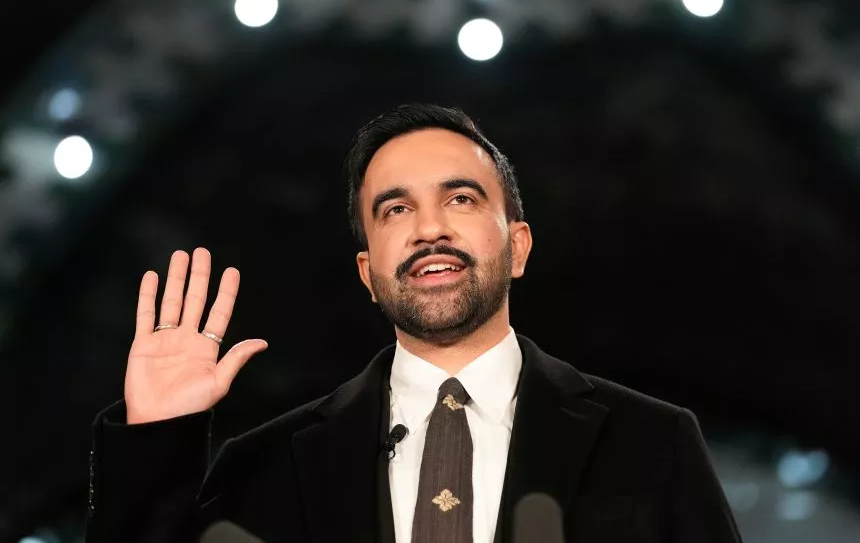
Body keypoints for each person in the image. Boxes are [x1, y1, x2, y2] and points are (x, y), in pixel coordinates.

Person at [85, 104, 742, 543]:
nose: (429, 228)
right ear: (368, 272)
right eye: (395, 210)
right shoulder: (264, 465)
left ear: (517, 246)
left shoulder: (653, 443)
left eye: (461, 198)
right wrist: (155, 436)